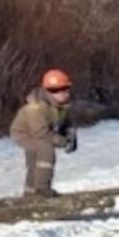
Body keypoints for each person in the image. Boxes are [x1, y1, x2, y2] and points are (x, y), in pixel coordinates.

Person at [10, 68, 77, 197]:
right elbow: (41, 133)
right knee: (45, 150)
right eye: (56, 90)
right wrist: (63, 142)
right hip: (25, 133)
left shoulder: (63, 105)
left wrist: (71, 136)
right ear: (47, 92)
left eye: (65, 88)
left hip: (42, 132)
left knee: (35, 162)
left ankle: (29, 194)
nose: (63, 93)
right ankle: (42, 189)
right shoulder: (35, 108)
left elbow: (67, 123)